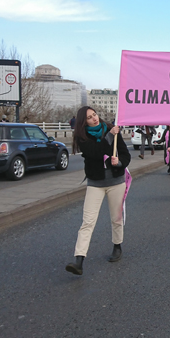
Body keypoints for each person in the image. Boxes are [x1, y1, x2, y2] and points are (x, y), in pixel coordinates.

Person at [65, 106, 131, 276]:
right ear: (83, 121)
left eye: (94, 115)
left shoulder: (110, 129)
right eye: (89, 117)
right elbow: (95, 152)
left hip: (116, 181)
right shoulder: (83, 137)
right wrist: (110, 136)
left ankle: (117, 246)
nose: (94, 118)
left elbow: (126, 155)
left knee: (116, 218)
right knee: (88, 221)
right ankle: (79, 259)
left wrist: (119, 162)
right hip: (95, 183)